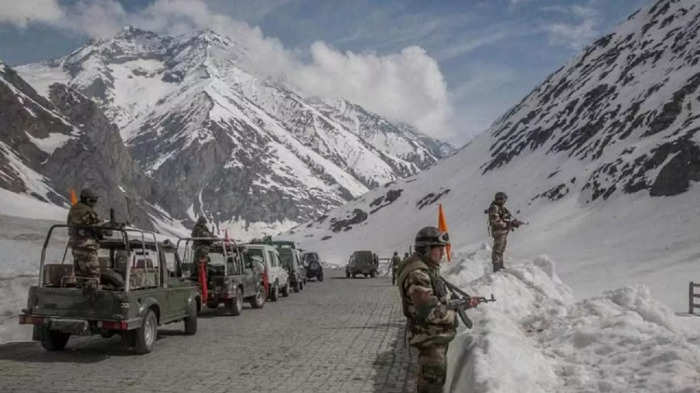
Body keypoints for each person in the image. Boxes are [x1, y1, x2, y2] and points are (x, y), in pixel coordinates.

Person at [397, 226, 475, 393]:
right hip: (428, 339)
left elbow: (436, 301)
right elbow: (429, 311)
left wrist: (458, 304)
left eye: (442, 249)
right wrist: (454, 313)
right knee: (431, 387)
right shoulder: (418, 274)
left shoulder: (427, 269)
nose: (441, 253)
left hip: (432, 338)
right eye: (438, 249)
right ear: (426, 250)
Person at [67, 188, 102, 294]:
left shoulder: (74, 209)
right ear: (88, 200)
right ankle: (93, 303)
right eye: (94, 200)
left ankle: (79, 298)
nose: (95, 203)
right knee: (93, 275)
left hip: (76, 246)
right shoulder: (86, 211)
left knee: (80, 275)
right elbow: (96, 226)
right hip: (86, 246)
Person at [487, 192, 521, 272]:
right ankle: (497, 269)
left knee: (501, 250)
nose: (505, 201)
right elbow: (496, 221)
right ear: (499, 199)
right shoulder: (494, 207)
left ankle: (500, 268)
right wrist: (508, 224)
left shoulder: (501, 208)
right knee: (497, 250)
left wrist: (513, 223)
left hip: (503, 231)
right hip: (498, 231)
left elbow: (506, 219)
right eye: (503, 199)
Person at [190, 217, 213, 281]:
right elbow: (206, 236)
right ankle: (203, 280)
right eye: (203, 222)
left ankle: (199, 278)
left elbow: (208, 236)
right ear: (201, 222)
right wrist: (211, 237)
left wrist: (211, 236)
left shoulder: (199, 228)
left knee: (199, 264)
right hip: (201, 248)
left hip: (199, 248)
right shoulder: (199, 229)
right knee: (202, 265)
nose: (204, 224)